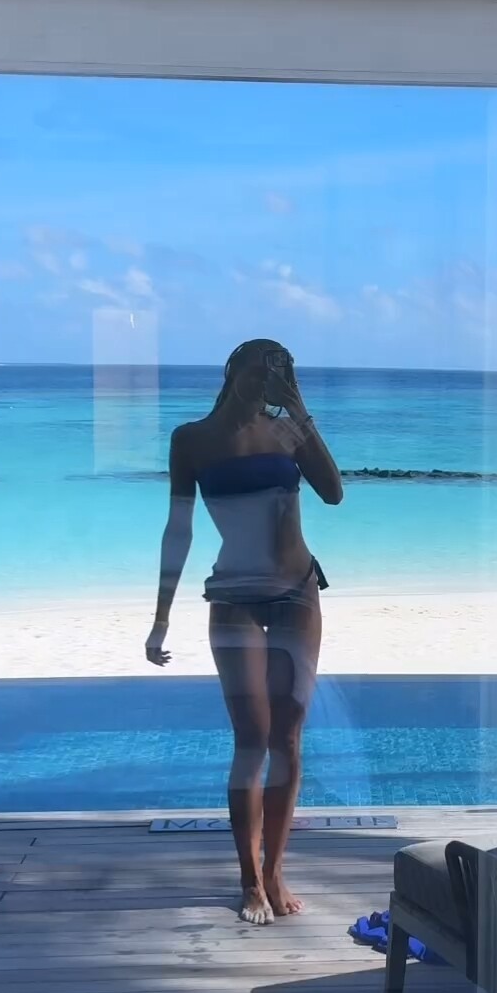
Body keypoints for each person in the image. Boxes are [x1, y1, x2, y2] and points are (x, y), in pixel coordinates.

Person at [145, 340, 343, 925]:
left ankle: (275, 869)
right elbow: (178, 529)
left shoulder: (288, 430)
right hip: (233, 594)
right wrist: (160, 617)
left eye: (282, 370)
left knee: (288, 738)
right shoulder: (192, 439)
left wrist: (300, 411)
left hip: (297, 591)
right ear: (232, 371)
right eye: (260, 367)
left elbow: (333, 492)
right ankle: (249, 879)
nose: (268, 378)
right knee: (252, 739)